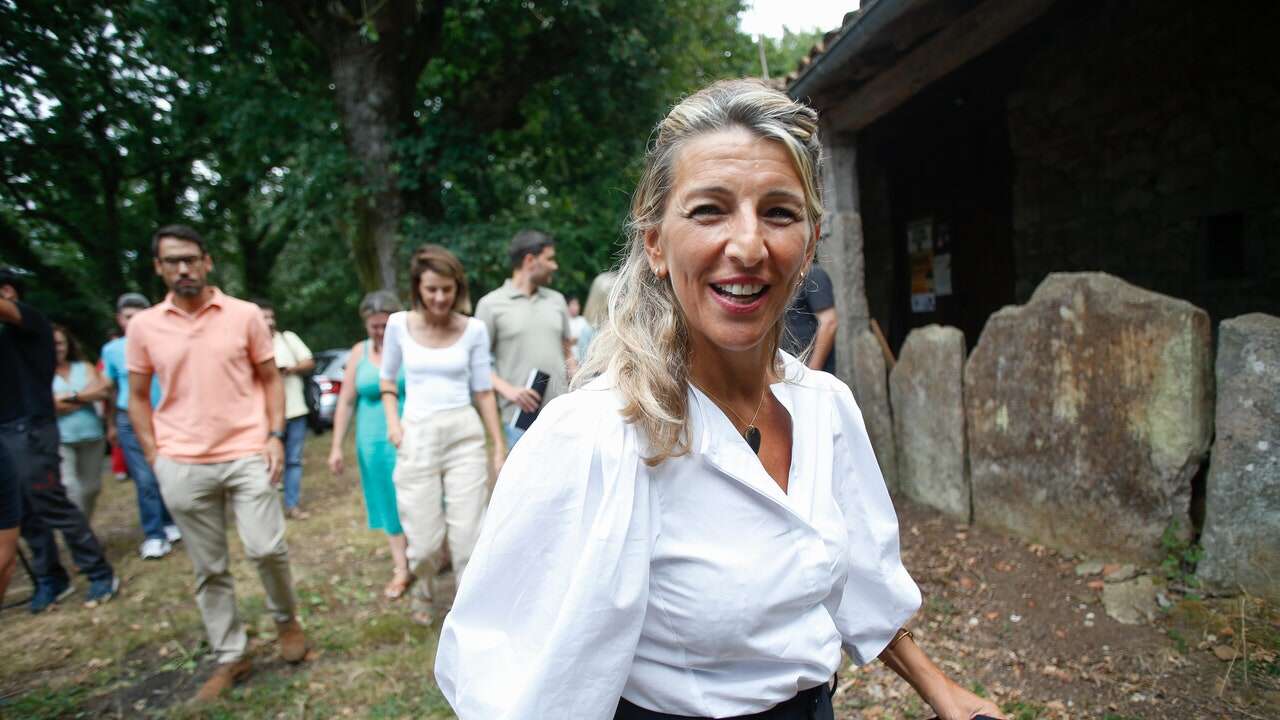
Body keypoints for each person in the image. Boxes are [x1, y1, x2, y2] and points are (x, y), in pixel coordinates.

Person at [435, 80, 1004, 720]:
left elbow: (857, 581)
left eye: (780, 213)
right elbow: (516, 683)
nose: (748, 246)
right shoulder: (597, 438)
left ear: (812, 242)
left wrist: (942, 690)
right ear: (655, 242)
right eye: (709, 210)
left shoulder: (824, 406)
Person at [126, 224, 306, 702]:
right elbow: (138, 397)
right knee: (209, 567)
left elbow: (270, 379)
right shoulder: (143, 327)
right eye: (171, 261)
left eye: (190, 259)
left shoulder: (244, 315)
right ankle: (232, 654)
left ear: (207, 261)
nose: (182, 269)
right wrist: (153, 455)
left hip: (247, 450)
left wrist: (273, 435)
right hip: (181, 460)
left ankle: (287, 622)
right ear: (158, 268)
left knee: (266, 548)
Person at [380, 245, 506, 625]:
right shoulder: (398, 325)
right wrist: (393, 423)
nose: (439, 298)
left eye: (447, 290)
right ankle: (422, 587)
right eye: (431, 289)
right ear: (418, 287)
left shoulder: (474, 330)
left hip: (463, 434)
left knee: (468, 533)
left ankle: (467, 613)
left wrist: (497, 444)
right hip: (417, 433)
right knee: (424, 542)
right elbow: (387, 378)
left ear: (457, 288)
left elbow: (483, 390)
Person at [0, 268, 118, 612]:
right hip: (5, 431)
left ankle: (99, 572)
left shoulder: (31, 324)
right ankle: (51, 577)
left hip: (30, 428)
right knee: (20, 514)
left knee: (51, 503)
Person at [327, 290, 412, 599]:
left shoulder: (410, 345)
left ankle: (430, 550)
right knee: (387, 496)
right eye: (374, 326)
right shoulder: (358, 352)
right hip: (372, 439)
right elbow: (346, 402)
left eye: (385, 325)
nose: (379, 332)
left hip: (410, 430)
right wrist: (336, 445)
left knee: (418, 491)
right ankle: (401, 566)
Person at [474, 229, 577, 448]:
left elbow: (568, 353)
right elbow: (477, 365)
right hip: (520, 421)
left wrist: (580, 389)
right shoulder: (490, 305)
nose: (554, 265)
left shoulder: (557, 300)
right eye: (549, 259)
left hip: (564, 415)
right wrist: (509, 391)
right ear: (530, 260)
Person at [101, 292, 182, 559]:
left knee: (168, 472)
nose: (134, 322)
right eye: (128, 317)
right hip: (131, 418)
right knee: (145, 478)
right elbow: (109, 389)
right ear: (120, 320)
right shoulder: (112, 351)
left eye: (139, 316)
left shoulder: (167, 341)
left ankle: (170, 522)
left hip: (167, 415)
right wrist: (111, 424)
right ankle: (154, 534)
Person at [255, 300, 315, 520]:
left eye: (271, 317)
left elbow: (309, 361)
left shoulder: (287, 339)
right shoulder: (249, 344)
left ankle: (292, 504)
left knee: (293, 460)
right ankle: (267, 510)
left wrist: (290, 369)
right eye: (264, 317)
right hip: (265, 415)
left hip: (295, 410)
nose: (269, 321)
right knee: (265, 463)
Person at [51, 324, 111, 519]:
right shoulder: (38, 372)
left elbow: (103, 391)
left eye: (60, 343)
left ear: (68, 344)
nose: (57, 347)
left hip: (92, 435)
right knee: (70, 487)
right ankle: (82, 537)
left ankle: (83, 526)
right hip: (60, 439)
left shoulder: (84, 367)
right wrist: (85, 396)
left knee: (91, 488)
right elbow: (49, 405)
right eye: (51, 343)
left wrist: (69, 398)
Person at [782, 262, 838, 373]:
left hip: (808, 372)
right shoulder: (786, 278)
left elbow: (829, 323)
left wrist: (812, 371)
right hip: (788, 371)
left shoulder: (813, 274)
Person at [576, 270, 618, 363]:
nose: (622, 297)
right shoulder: (588, 330)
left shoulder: (623, 325)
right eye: (617, 292)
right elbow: (585, 363)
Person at [567, 295, 590, 363]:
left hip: (581, 358)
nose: (575, 307)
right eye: (573, 304)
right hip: (567, 358)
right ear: (568, 306)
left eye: (577, 305)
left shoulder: (583, 320)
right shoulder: (564, 320)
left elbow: (588, 337)